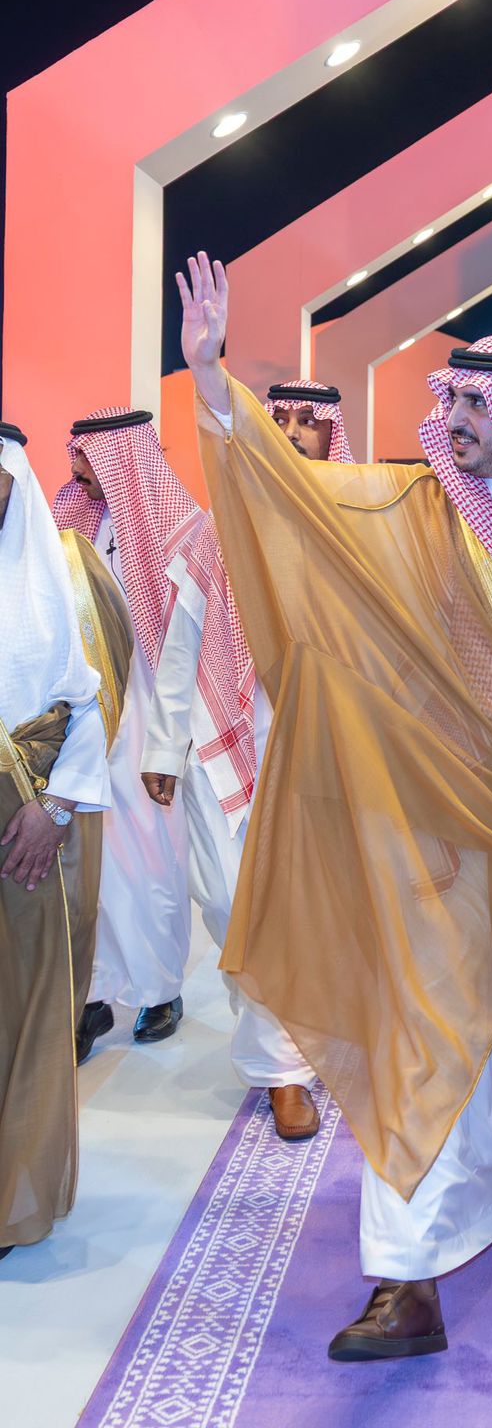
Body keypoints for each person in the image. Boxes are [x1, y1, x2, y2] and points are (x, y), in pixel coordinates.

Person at [176, 251, 492, 1360]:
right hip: (428, 820)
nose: (452, 418)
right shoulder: (410, 510)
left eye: (475, 403)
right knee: (425, 1028)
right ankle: (404, 1281)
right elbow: (292, 497)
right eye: (449, 399)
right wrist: (213, 381)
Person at [139, 380, 354, 1140]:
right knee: (234, 905)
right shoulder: (216, 528)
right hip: (224, 744)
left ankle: (285, 1067)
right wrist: (162, 745)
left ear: (332, 435)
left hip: (326, 750)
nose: (292, 432)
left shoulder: (352, 527)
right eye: (279, 418)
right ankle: (281, 1052)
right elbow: (181, 646)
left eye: (308, 421)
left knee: (311, 910)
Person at [1, 421, 131, 1260]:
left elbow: (89, 707)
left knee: (22, 1006)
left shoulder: (49, 577)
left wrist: (52, 814)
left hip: (21, 816)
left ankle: (14, 1190)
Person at [53, 409, 197, 1058]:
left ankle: (161, 989)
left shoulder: (170, 525)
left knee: (150, 858)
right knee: (91, 857)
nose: (75, 465)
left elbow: (183, 635)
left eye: (86, 454)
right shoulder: (74, 521)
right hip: (88, 710)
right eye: (73, 453)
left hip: (148, 710)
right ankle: (93, 996)